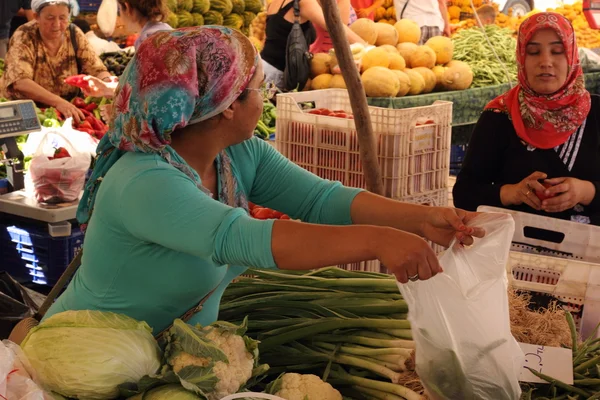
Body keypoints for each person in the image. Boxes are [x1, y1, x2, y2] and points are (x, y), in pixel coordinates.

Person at [43, 26, 484, 334]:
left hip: (162, 360)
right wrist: (379, 241)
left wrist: (421, 219)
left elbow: (320, 199)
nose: (268, 96)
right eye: (258, 87)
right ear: (227, 106)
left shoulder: (235, 153)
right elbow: (247, 239)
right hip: (85, 358)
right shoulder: (145, 180)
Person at [453, 12, 600, 226]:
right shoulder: (499, 116)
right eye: (533, 52)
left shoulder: (596, 113)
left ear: (572, 56)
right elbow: (464, 194)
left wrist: (587, 191)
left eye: (557, 51)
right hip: (514, 251)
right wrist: (510, 193)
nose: (546, 61)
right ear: (521, 57)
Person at [0, 0, 111, 124]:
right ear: (36, 17)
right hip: (26, 114)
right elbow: (20, 81)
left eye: (63, 17)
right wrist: (58, 102)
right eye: (50, 18)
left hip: (64, 112)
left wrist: (108, 84)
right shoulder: (24, 35)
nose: (57, 24)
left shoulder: (74, 33)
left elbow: (97, 69)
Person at [261, 0, 365, 89]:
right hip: (277, 76)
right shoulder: (304, 2)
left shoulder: (276, 2)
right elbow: (336, 28)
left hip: (265, 68)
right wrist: (367, 47)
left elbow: (268, 39)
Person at [82, 0, 173, 98]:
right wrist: (110, 88)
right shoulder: (166, 30)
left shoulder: (146, 41)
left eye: (120, 10)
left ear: (128, 8)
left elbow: (147, 92)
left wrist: (115, 100)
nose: (120, 16)